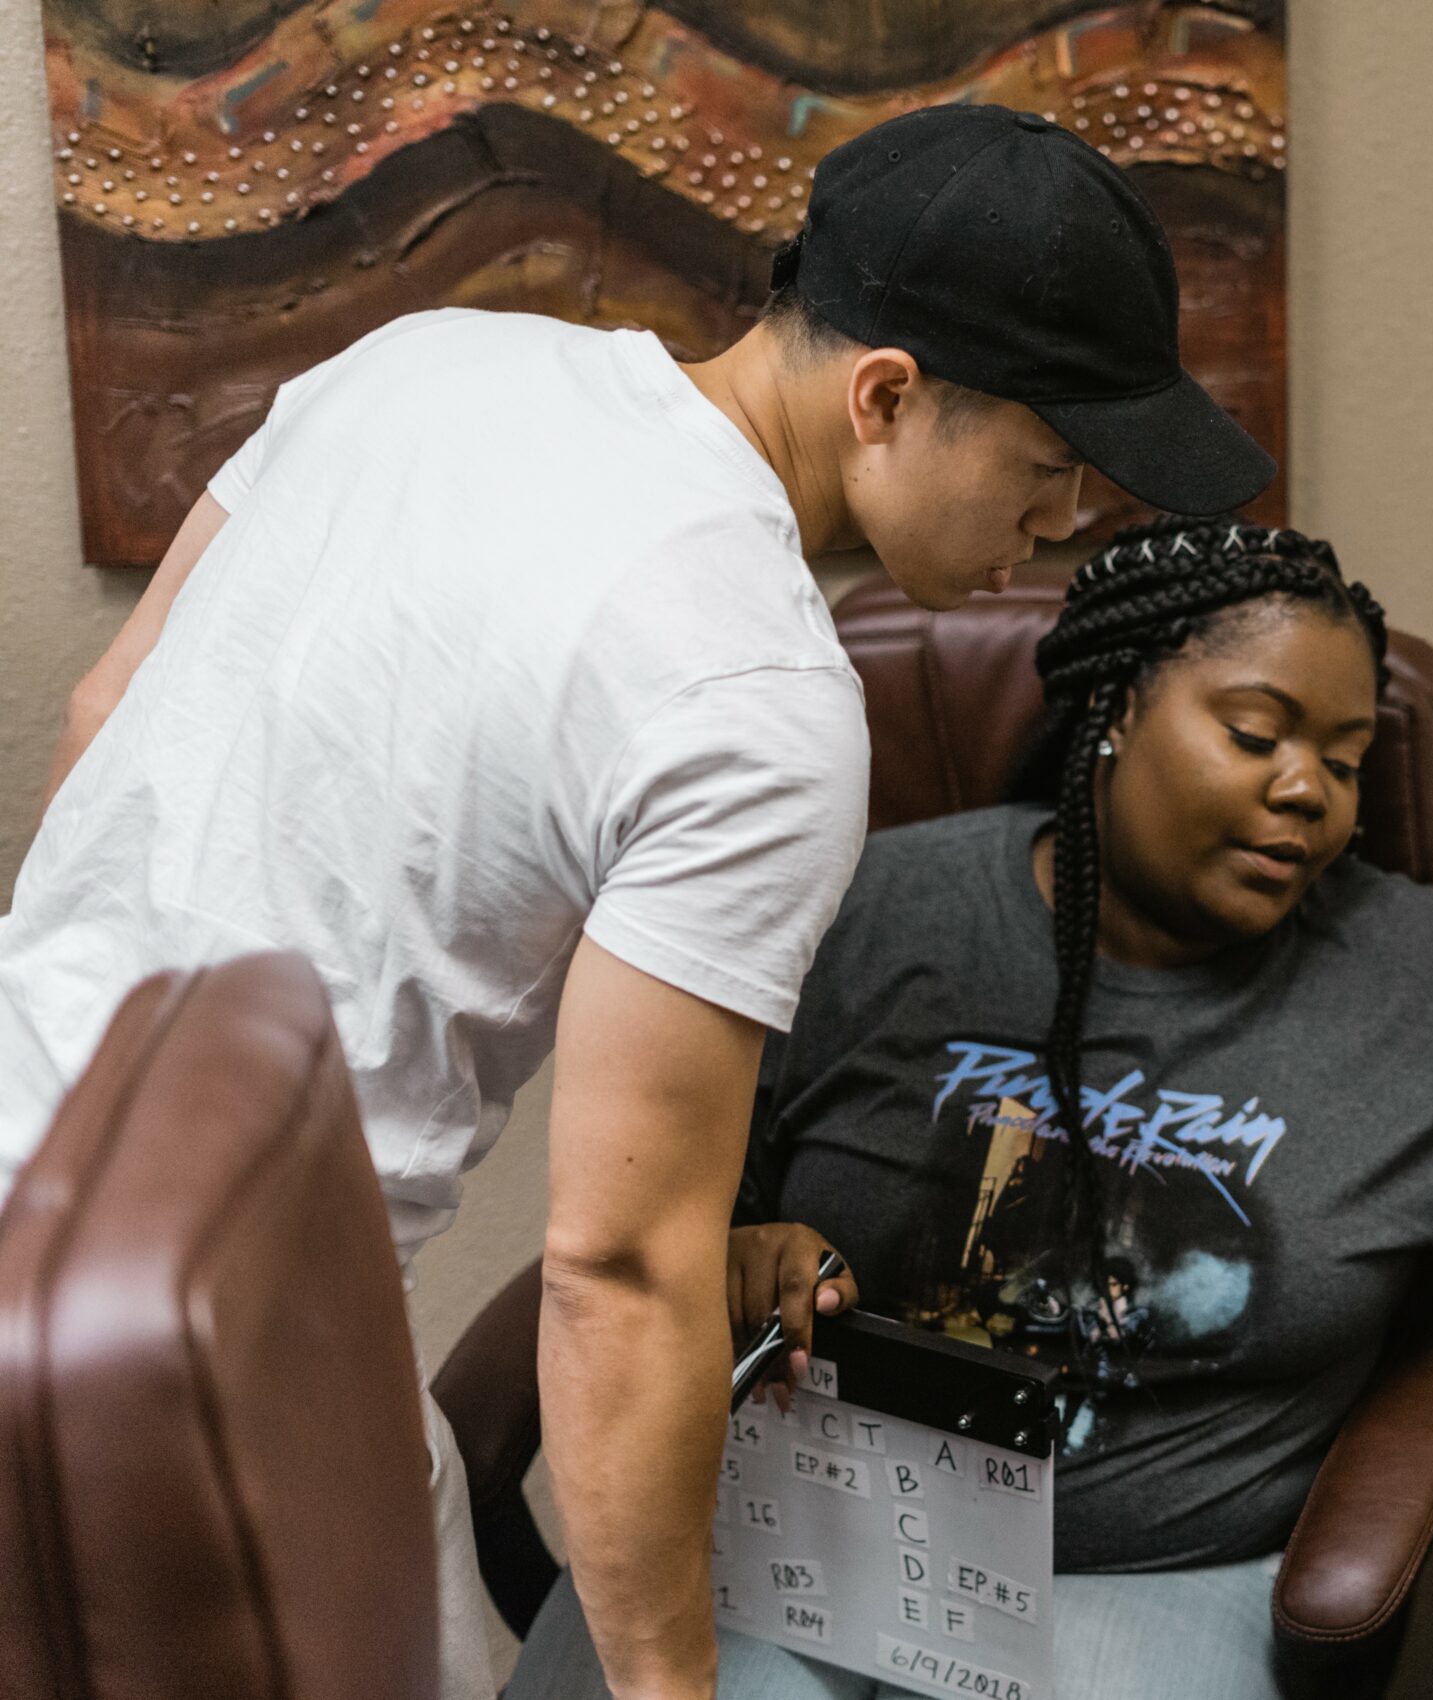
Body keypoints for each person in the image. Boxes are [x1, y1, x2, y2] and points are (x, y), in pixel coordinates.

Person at [0, 106, 1272, 1700]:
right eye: (1047, 465)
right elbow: (617, 1268)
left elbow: (104, 717)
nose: (1066, 520)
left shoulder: (423, 363)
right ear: (886, 397)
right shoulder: (761, 696)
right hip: (201, 1353)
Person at [510, 519, 1433, 1700]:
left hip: (1140, 1579)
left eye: (1345, 760)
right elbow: (669, 1204)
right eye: (1255, 732)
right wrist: (739, 1251)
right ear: (1113, 710)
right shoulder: (867, 910)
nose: (1308, 791)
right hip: (792, 1528)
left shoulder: (1432, 995)